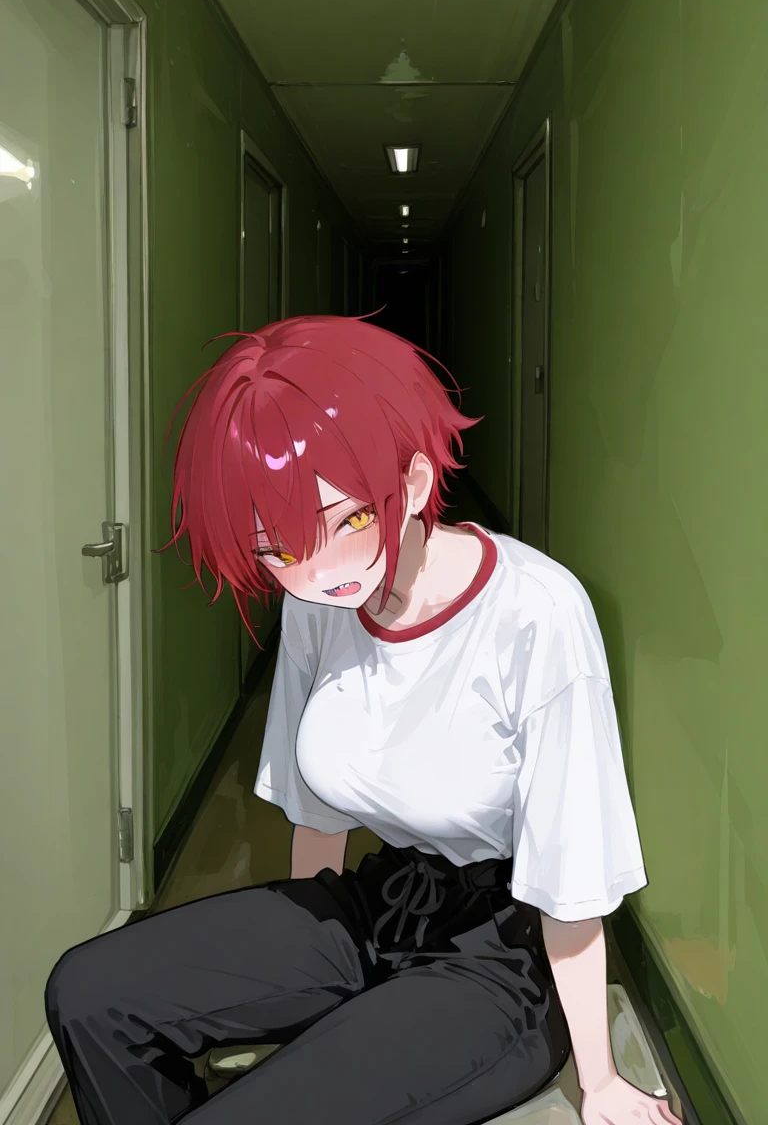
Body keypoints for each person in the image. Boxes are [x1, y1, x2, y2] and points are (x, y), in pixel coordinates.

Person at [44, 316, 682, 1125]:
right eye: (278, 549)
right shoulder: (318, 607)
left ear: (412, 482)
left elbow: (571, 874)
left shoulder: (537, 612)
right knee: (88, 993)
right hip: (379, 902)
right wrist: (301, 984)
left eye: (344, 523)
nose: (315, 570)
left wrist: (602, 1082)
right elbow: (319, 815)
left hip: (503, 957)